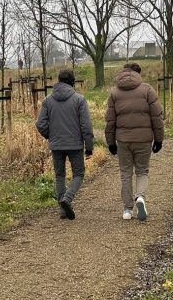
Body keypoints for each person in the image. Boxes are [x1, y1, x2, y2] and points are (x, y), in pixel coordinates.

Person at [104, 62, 164, 221]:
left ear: (124, 73)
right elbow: (157, 117)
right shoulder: (147, 90)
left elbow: (110, 121)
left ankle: (127, 210)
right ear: (139, 74)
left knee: (125, 172)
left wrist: (110, 142)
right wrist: (159, 139)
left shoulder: (114, 93)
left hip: (123, 140)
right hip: (144, 140)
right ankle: (140, 198)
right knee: (142, 171)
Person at [35, 68, 94, 220]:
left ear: (59, 81)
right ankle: (67, 199)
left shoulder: (48, 100)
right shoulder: (79, 99)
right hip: (75, 145)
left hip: (56, 145)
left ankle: (62, 209)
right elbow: (86, 126)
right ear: (72, 81)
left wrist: (51, 136)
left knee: (59, 175)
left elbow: (40, 123)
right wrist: (89, 147)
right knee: (79, 174)